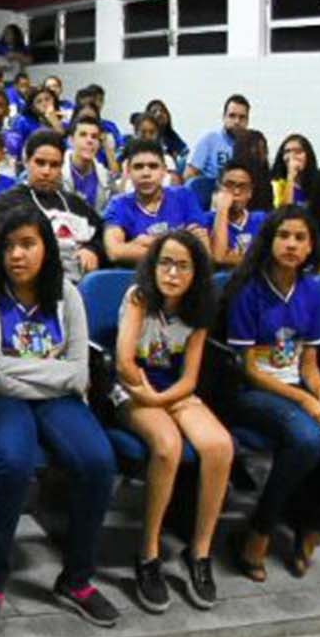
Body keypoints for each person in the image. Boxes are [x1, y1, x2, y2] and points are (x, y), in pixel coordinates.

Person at [0, 202, 121, 637]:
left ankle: (77, 579)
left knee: (98, 462)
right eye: (8, 246)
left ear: (46, 248)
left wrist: (13, 374)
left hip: (47, 397)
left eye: (28, 244)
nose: (17, 255)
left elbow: (79, 372)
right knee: (13, 461)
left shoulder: (67, 294)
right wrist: (48, 377)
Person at [221, 206, 320, 580]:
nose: (291, 244)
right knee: (308, 440)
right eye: (284, 236)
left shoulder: (311, 290)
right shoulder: (247, 288)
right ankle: (259, 528)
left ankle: (310, 523)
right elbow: (248, 368)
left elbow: (309, 362)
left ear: (311, 247)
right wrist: (306, 401)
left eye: (300, 238)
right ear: (270, 240)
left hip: (298, 383)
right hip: (252, 389)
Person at [112, 232, 233, 613]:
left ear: (196, 272)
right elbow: (124, 362)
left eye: (183, 265)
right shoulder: (138, 298)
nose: (172, 272)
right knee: (168, 446)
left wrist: (164, 400)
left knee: (219, 446)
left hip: (172, 392)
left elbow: (190, 377)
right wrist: (149, 398)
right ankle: (148, 554)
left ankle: (199, 552)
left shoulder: (199, 310)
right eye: (165, 262)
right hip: (132, 389)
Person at [6, 129, 104, 281]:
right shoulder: (8, 204)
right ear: (26, 162)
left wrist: (92, 250)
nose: (46, 171)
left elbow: (101, 235)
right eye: (40, 163)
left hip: (79, 284)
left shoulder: (76, 204)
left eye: (54, 165)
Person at [102, 136, 210, 265]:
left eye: (153, 166)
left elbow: (204, 252)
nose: (146, 173)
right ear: (129, 172)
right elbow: (115, 252)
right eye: (138, 167)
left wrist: (145, 243)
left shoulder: (184, 196)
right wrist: (182, 247)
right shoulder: (118, 205)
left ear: (164, 171)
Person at [207, 158, 269, 269]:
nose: (236, 192)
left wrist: (231, 257)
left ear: (250, 192)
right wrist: (222, 210)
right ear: (219, 188)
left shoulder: (262, 219)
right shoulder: (206, 220)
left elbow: (270, 259)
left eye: (243, 187)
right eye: (229, 185)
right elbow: (218, 257)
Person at [184, 93, 254, 182]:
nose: (237, 121)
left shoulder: (252, 146)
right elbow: (189, 176)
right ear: (224, 117)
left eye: (242, 117)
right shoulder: (209, 140)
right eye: (232, 116)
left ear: (247, 121)